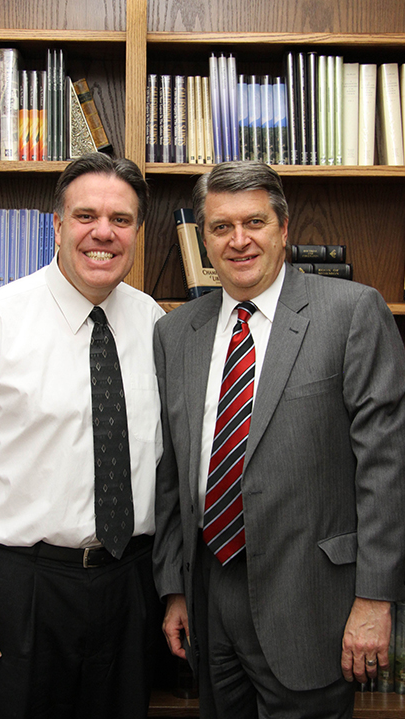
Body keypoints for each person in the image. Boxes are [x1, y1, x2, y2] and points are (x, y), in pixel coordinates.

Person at [152, 160, 405, 719]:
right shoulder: (176, 333)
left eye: (255, 223)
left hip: (312, 598)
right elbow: (172, 471)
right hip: (209, 594)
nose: (239, 241)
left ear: (283, 229)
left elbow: (386, 469)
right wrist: (175, 588)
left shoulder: (351, 314)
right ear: (204, 237)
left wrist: (375, 600)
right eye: (221, 227)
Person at [0, 153, 165, 719]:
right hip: (24, 589)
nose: (103, 233)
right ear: (57, 226)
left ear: (137, 231)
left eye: (121, 219)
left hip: (132, 582)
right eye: (86, 215)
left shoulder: (158, 324)